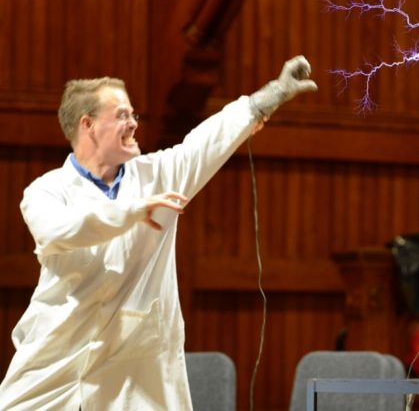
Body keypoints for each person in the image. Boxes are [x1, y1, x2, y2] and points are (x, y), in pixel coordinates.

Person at [0, 56, 317, 410]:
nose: (134, 122)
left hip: (136, 369)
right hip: (56, 363)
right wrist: (134, 210)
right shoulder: (45, 191)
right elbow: (61, 231)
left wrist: (266, 98)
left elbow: (204, 144)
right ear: (88, 125)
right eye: (121, 114)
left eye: (134, 113)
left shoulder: (156, 175)